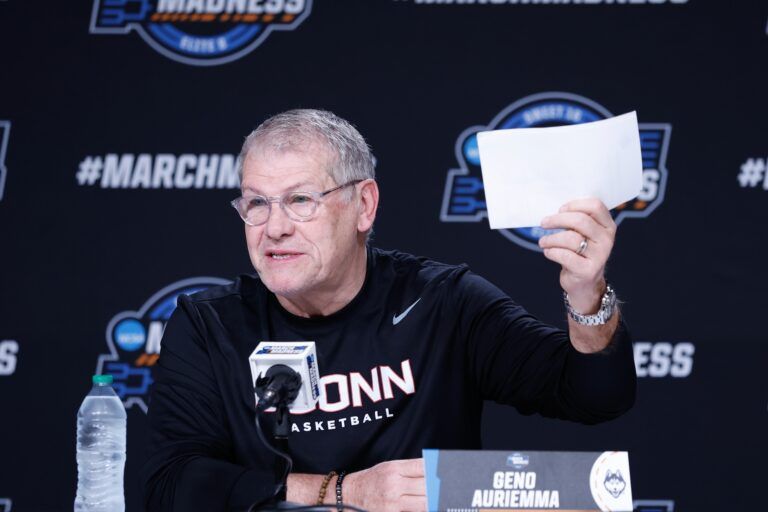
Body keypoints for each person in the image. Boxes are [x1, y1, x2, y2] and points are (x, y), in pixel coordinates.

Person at [141, 109, 636, 512]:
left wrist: (587, 293)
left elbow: (594, 397)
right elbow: (170, 486)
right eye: (256, 204)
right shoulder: (211, 325)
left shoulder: (443, 301)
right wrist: (343, 493)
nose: (274, 228)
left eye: (299, 200)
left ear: (364, 205)